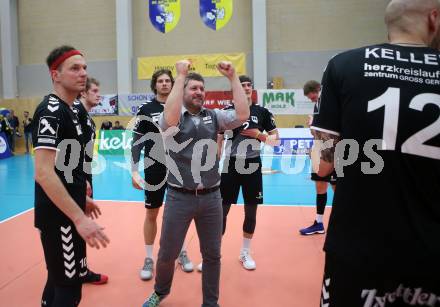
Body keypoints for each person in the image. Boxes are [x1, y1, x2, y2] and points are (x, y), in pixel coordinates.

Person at [310, 1, 440, 306]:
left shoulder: (343, 65)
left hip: (357, 247)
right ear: (433, 18)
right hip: (431, 249)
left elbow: (323, 161)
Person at [142, 60, 249, 307]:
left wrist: (233, 78)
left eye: (202, 88)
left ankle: (211, 303)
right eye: (194, 88)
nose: (199, 92)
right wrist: (180, 76)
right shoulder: (174, 117)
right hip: (180, 197)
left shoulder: (214, 116)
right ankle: (161, 291)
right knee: (168, 253)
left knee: (212, 255)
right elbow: (168, 119)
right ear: (183, 91)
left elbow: (242, 114)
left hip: (212, 197)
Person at [33, 45, 109, 307]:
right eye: (75, 68)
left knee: (58, 280)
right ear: (56, 75)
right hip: (59, 218)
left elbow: (67, 168)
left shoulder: (70, 110)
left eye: (84, 67)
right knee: (69, 290)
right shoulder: (51, 110)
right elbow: (43, 172)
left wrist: (81, 198)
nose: (83, 73)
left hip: (69, 208)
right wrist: (78, 217)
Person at [131, 69, 194, 281]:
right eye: (161, 81)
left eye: (168, 81)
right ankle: (149, 258)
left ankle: (182, 252)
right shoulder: (145, 109)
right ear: (155, 85)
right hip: (154, 166)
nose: (165, 84)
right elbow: (136, 141)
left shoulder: (182, 107)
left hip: (179, 166)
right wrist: (134, 170)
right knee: (152, 213)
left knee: (180, 213)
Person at [216, 75, 279, 271]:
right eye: (241, 85)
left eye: (248, 85)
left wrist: (259, 135)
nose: (245, 88)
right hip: (231, 165)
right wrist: (215, 160)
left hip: (253, 165)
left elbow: (276, 140)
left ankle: (245, 253)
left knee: (251, 211)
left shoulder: (262, 112)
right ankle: (214, 254)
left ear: (252, 89)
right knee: (221, 211)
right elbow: (218, 138)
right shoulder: (227, 112)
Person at [72, 77, 109, 285]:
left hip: (85, 175)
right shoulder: (75, 113)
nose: (99, 94)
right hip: (77, 177)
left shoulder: (86, 117)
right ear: (83, 93)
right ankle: (73, 271)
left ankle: (81, 269)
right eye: (94, 91)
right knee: (75, 222)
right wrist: (81, 179)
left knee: (83, 220)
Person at [299, 80, 336, 235]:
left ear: (317, 89)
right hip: (321, 151)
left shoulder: (328, 103)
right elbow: (317, 133)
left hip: (333, 152)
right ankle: (319, 223)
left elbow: (331, 131)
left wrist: (313, 126)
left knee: (337, 189)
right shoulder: (318, 106)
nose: (310, 98)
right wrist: (312, 126)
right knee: (320, 187)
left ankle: (342, 224)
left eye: (311, 95)